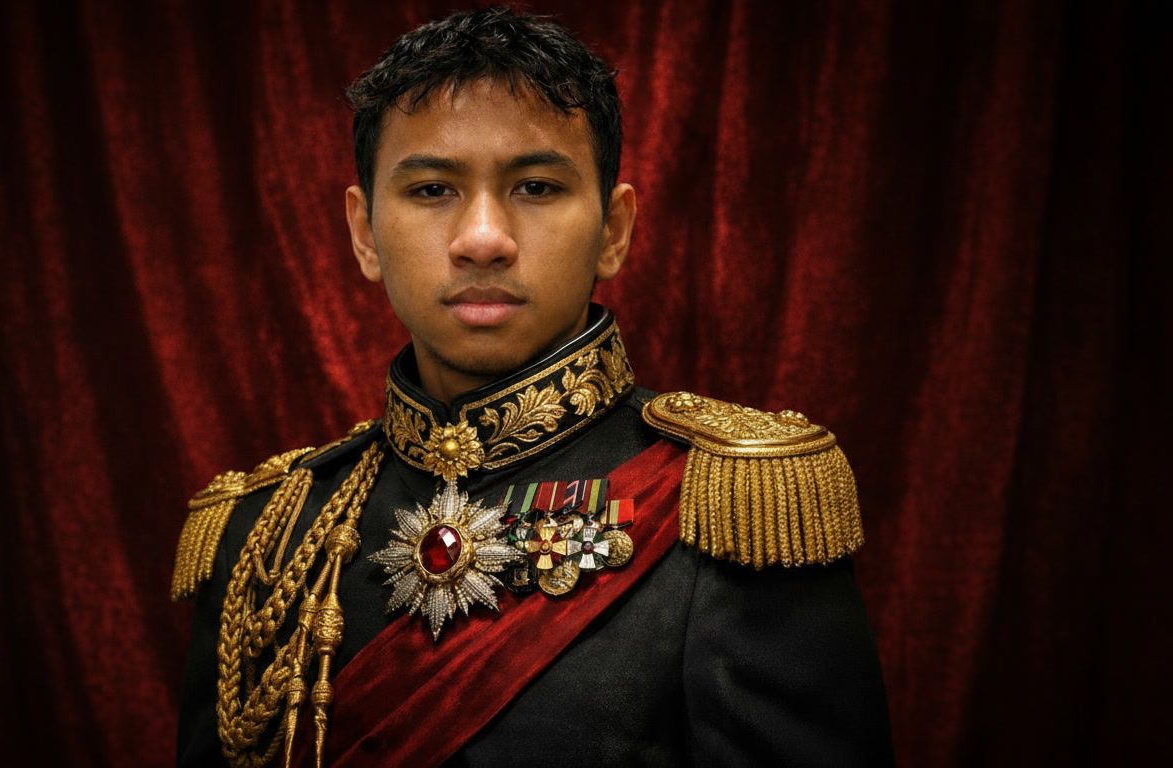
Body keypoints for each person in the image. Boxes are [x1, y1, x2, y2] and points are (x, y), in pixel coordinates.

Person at [174, 7, 894, 767]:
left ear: (614, 229)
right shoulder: (263, 537)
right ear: (363, 233)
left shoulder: (738, 510)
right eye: (432, 189)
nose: (483, 238)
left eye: (537, 186)